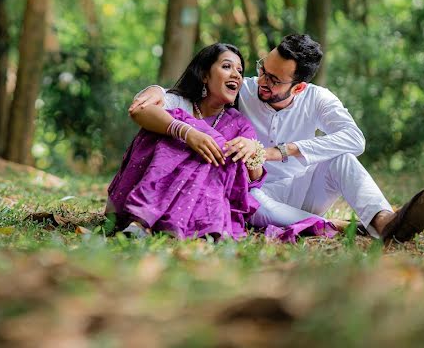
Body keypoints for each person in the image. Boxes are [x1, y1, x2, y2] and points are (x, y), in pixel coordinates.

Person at [130, 34, 424, 245]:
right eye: (264, 69)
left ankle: (384, 222)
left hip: (301, 189)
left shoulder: (318, 99)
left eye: (274, 80)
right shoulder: (243, 90)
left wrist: (281, 151)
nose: (262, 81)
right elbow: (189, 99)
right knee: (254, 202)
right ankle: (346, 229)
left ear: (299, 87)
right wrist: (157, 90)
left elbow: (355, 139)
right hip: (252, 193)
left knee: (342, 158)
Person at [107, 42, 334, 241]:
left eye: (240, 70)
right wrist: (188, 133)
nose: (236, 75)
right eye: (227, 67)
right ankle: (140, 218)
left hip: (200, 206)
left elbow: (252, 180)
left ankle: (166, 222)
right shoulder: (180, 103)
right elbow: (141, 110)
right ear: (205, 75)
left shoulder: (239, 125)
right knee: (167, 131)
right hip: (145, 192)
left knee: (218, 153)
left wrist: (252, 152)